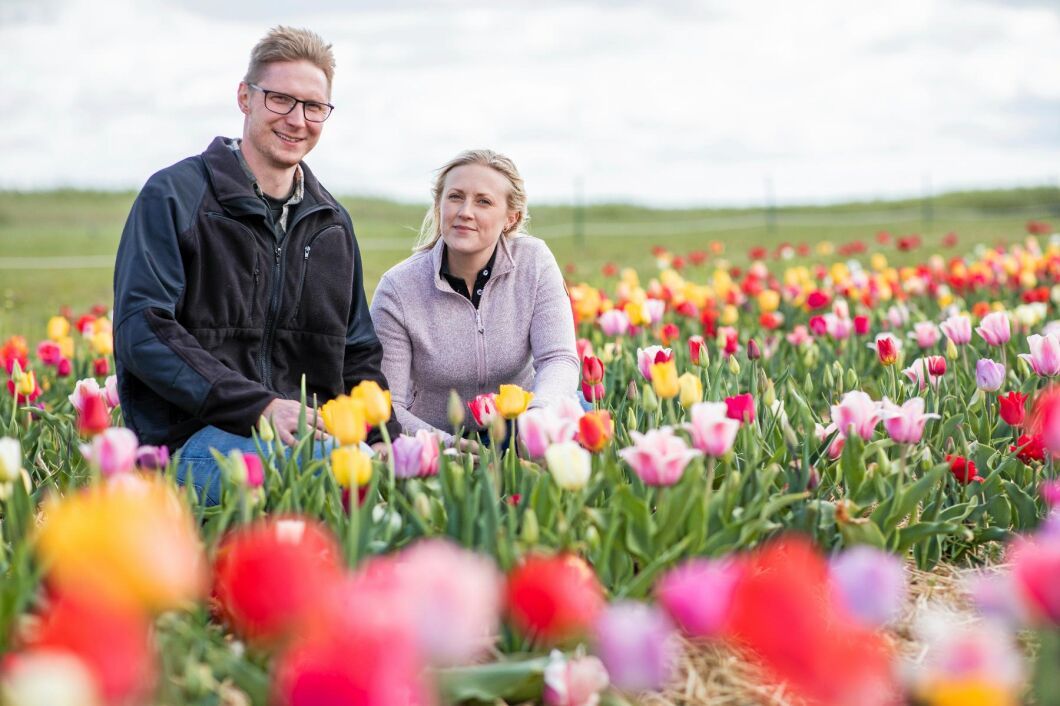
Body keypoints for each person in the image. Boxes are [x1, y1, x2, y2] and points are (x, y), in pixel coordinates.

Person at [113, 26, 397, 502]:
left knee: (403, 476)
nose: (297, 119)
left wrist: (380, 438)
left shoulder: (331, 225)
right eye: (281, 99)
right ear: (245, 97)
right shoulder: (175, 197)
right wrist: (259, 407)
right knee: (334, 478)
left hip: (312, 436)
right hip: (193, 438)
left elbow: (357, 354)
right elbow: (144, 329)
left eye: (313, 107)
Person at [370, 150, 579, 445]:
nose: (465, 211)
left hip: (518, 428)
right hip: (434, 441)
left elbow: (559, 358)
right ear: (439, 206)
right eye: (455, 197)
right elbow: (389, 407)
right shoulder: (398, 288)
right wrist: (450, 446)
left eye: (483, 201)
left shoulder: (534, 262)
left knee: (576, 415)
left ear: (511, 218)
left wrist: (537, 418)